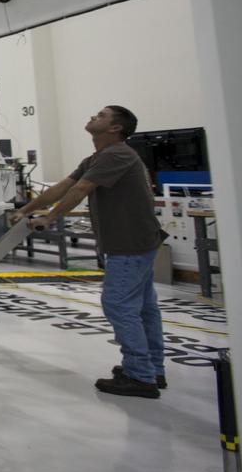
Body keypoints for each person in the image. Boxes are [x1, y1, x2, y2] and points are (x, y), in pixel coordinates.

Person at [10, 105, 165, 399]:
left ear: (115, 128)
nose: (94, 116)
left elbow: (80, 190)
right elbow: (62, 187)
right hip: (136, 241)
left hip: (129, 243)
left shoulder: (117, 154)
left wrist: (49, 218)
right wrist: (27, 209)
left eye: (102, 115)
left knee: (119, 305)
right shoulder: (97, 157)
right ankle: (152, 368)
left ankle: (140, 376)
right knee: (144, 308)